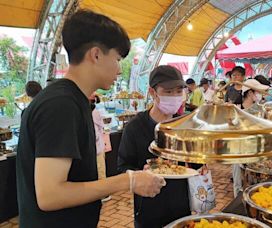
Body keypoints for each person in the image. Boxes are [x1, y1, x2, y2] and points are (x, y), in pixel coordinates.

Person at [16, 10, 165, 228]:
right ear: (95, 55)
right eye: (117, 59)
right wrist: (127, 181)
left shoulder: (74, 100)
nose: (119, 70)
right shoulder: (61, 105)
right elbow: (50, 195)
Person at [118, 65, 201, 227]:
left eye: (179, 91)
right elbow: (123, 166)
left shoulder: (185, 124)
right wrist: (140, 174)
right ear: (152, 92)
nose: (175, 96)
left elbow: (197, 164)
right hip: (149, 208)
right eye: (168, 92)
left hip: (182, 205)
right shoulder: (135, 127)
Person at [232, 79, 269, 197]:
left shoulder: (261, 110)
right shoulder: (236, 109)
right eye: (258, 92)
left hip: (255, 151)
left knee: (254, 183)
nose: (261, 95)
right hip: (238, 151)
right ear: (249, 93)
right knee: (238, 183)